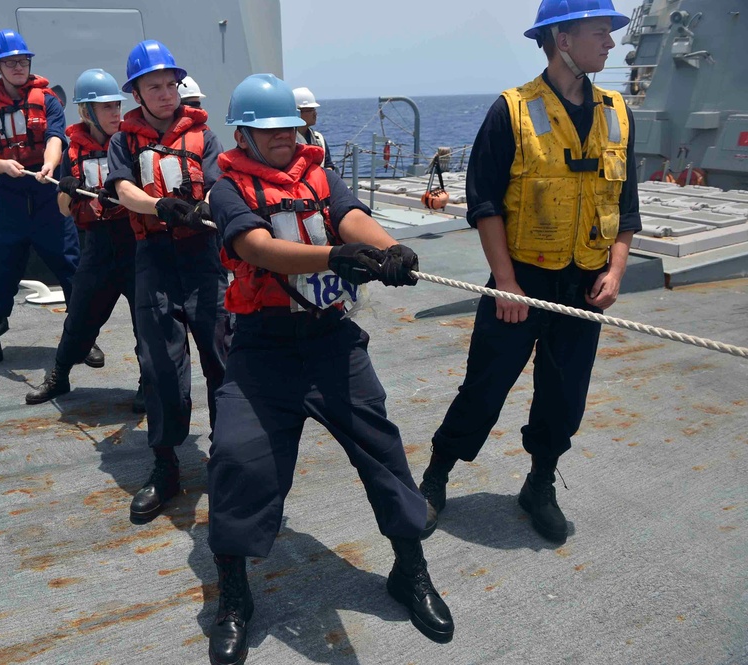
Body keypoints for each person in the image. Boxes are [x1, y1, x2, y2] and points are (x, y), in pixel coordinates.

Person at [204, 73, 454, 665]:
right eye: (271, 132)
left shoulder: (320, 173)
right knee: (238, 460)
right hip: (262, 348)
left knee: (384, 452)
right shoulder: (226, 187)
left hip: (331, 343)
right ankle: (235, 595)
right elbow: (257, 248)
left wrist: (389, 248)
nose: (286, 139)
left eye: (291, 127)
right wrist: (335, 257)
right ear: (244, 135)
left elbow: (349, 216)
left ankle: (409, 570)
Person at [419, 0, 641, 543]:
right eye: (599, 33)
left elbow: (626, 204)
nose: (611, 44)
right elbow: (485, 203)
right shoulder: (511, 111)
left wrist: (615, 270)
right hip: (522, 280)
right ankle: (436, 473)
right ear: (562, 39)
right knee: (484, 388)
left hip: (586, 285)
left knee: (564, 396)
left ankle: (539, 483)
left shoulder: (618, 111)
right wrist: (508, 282)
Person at [104, 40, 230, 522]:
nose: (164, 94)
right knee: (160, 365)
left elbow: (220, 182)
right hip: (154, 255)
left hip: (203, 256)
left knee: (222, 355)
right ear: (136, 92)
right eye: (152, 86)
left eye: (170, 85)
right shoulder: (123, 141)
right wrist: (158, 205)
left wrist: (206, 206)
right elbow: (121, 189)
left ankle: (227, 455)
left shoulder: (205, 136)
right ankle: (165, 465)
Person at [25, 69, 143, 412]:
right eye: (105, 107)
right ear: (85, 112)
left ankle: (147, 382)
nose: (115, 113)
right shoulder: (74, 152)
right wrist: (68, 190)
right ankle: (59, 375)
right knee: (79, 317)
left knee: (146, 323)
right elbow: (64, 211)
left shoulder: (132, 144)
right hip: (98, 245)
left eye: (116, 106)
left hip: (136, 244)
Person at [0, 30, 81, 375]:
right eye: (11, 62)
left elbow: (55, 139)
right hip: (9, 198)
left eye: (23, 61)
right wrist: (3, 165)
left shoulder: (48, 101)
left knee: (71, 267)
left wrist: (49, 164)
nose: (18, 66)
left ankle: (81, 338)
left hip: (47, 195)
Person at [292, 86, 333, 169]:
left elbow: (328, 165)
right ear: (298, 113)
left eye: (314, 110)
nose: (315, 114)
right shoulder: (288, 140)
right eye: (310, 110)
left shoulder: (319, 138)